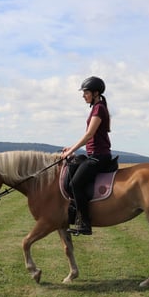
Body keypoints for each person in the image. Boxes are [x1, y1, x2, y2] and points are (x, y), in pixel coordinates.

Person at [61, 76, 113, 235]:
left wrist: (70, 151)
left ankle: (85, 223)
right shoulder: (97, 108)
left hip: (99, 156)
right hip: (92, 154)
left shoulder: (99, 109)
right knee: (70, 172)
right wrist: (72, 148)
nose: (84, 95)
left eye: (86, 92)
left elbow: (89, 135)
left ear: (96, 93)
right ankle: (73, 211)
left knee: (75, 184)